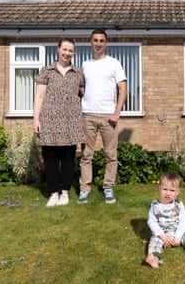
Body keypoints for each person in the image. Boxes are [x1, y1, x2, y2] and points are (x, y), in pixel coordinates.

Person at [33, 38, 85, 208]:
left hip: (71, 121)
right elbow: (39, 97)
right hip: (49, 120)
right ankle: (54, 193)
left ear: (73, 53)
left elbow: (83, 95)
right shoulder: (46, 71)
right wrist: (36, 119)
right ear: (58, 49)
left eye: (70, 50)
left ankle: (65, 193)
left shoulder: (78, 73)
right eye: (64, 49)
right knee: (51, 159)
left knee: (69, 159)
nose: (67, 53)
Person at [78, 29, 127, 204]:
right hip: (88, 116)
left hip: (108, 116)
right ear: (90, 42)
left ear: (106, 43)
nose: (98, 43)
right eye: (95, 40)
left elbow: (123, 89)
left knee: (111, 155)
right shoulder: (85, 65)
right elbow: (81, 89)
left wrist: (117, 112)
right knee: (86, 155)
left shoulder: (114, 63)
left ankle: (108, 187)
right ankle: (84, 189)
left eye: (101, 40)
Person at [145, 171, 185, 268]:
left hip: (178, 231)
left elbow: (182, 222)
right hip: (163, 233)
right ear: (159, 188)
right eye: (165, 189)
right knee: (154, 241)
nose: (168, 193)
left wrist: (178, 237)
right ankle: (154, 258)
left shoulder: (179, 205)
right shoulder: (155, 205)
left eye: (172, 190)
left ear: (178, 192)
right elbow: (151, 222)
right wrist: (161, 235)